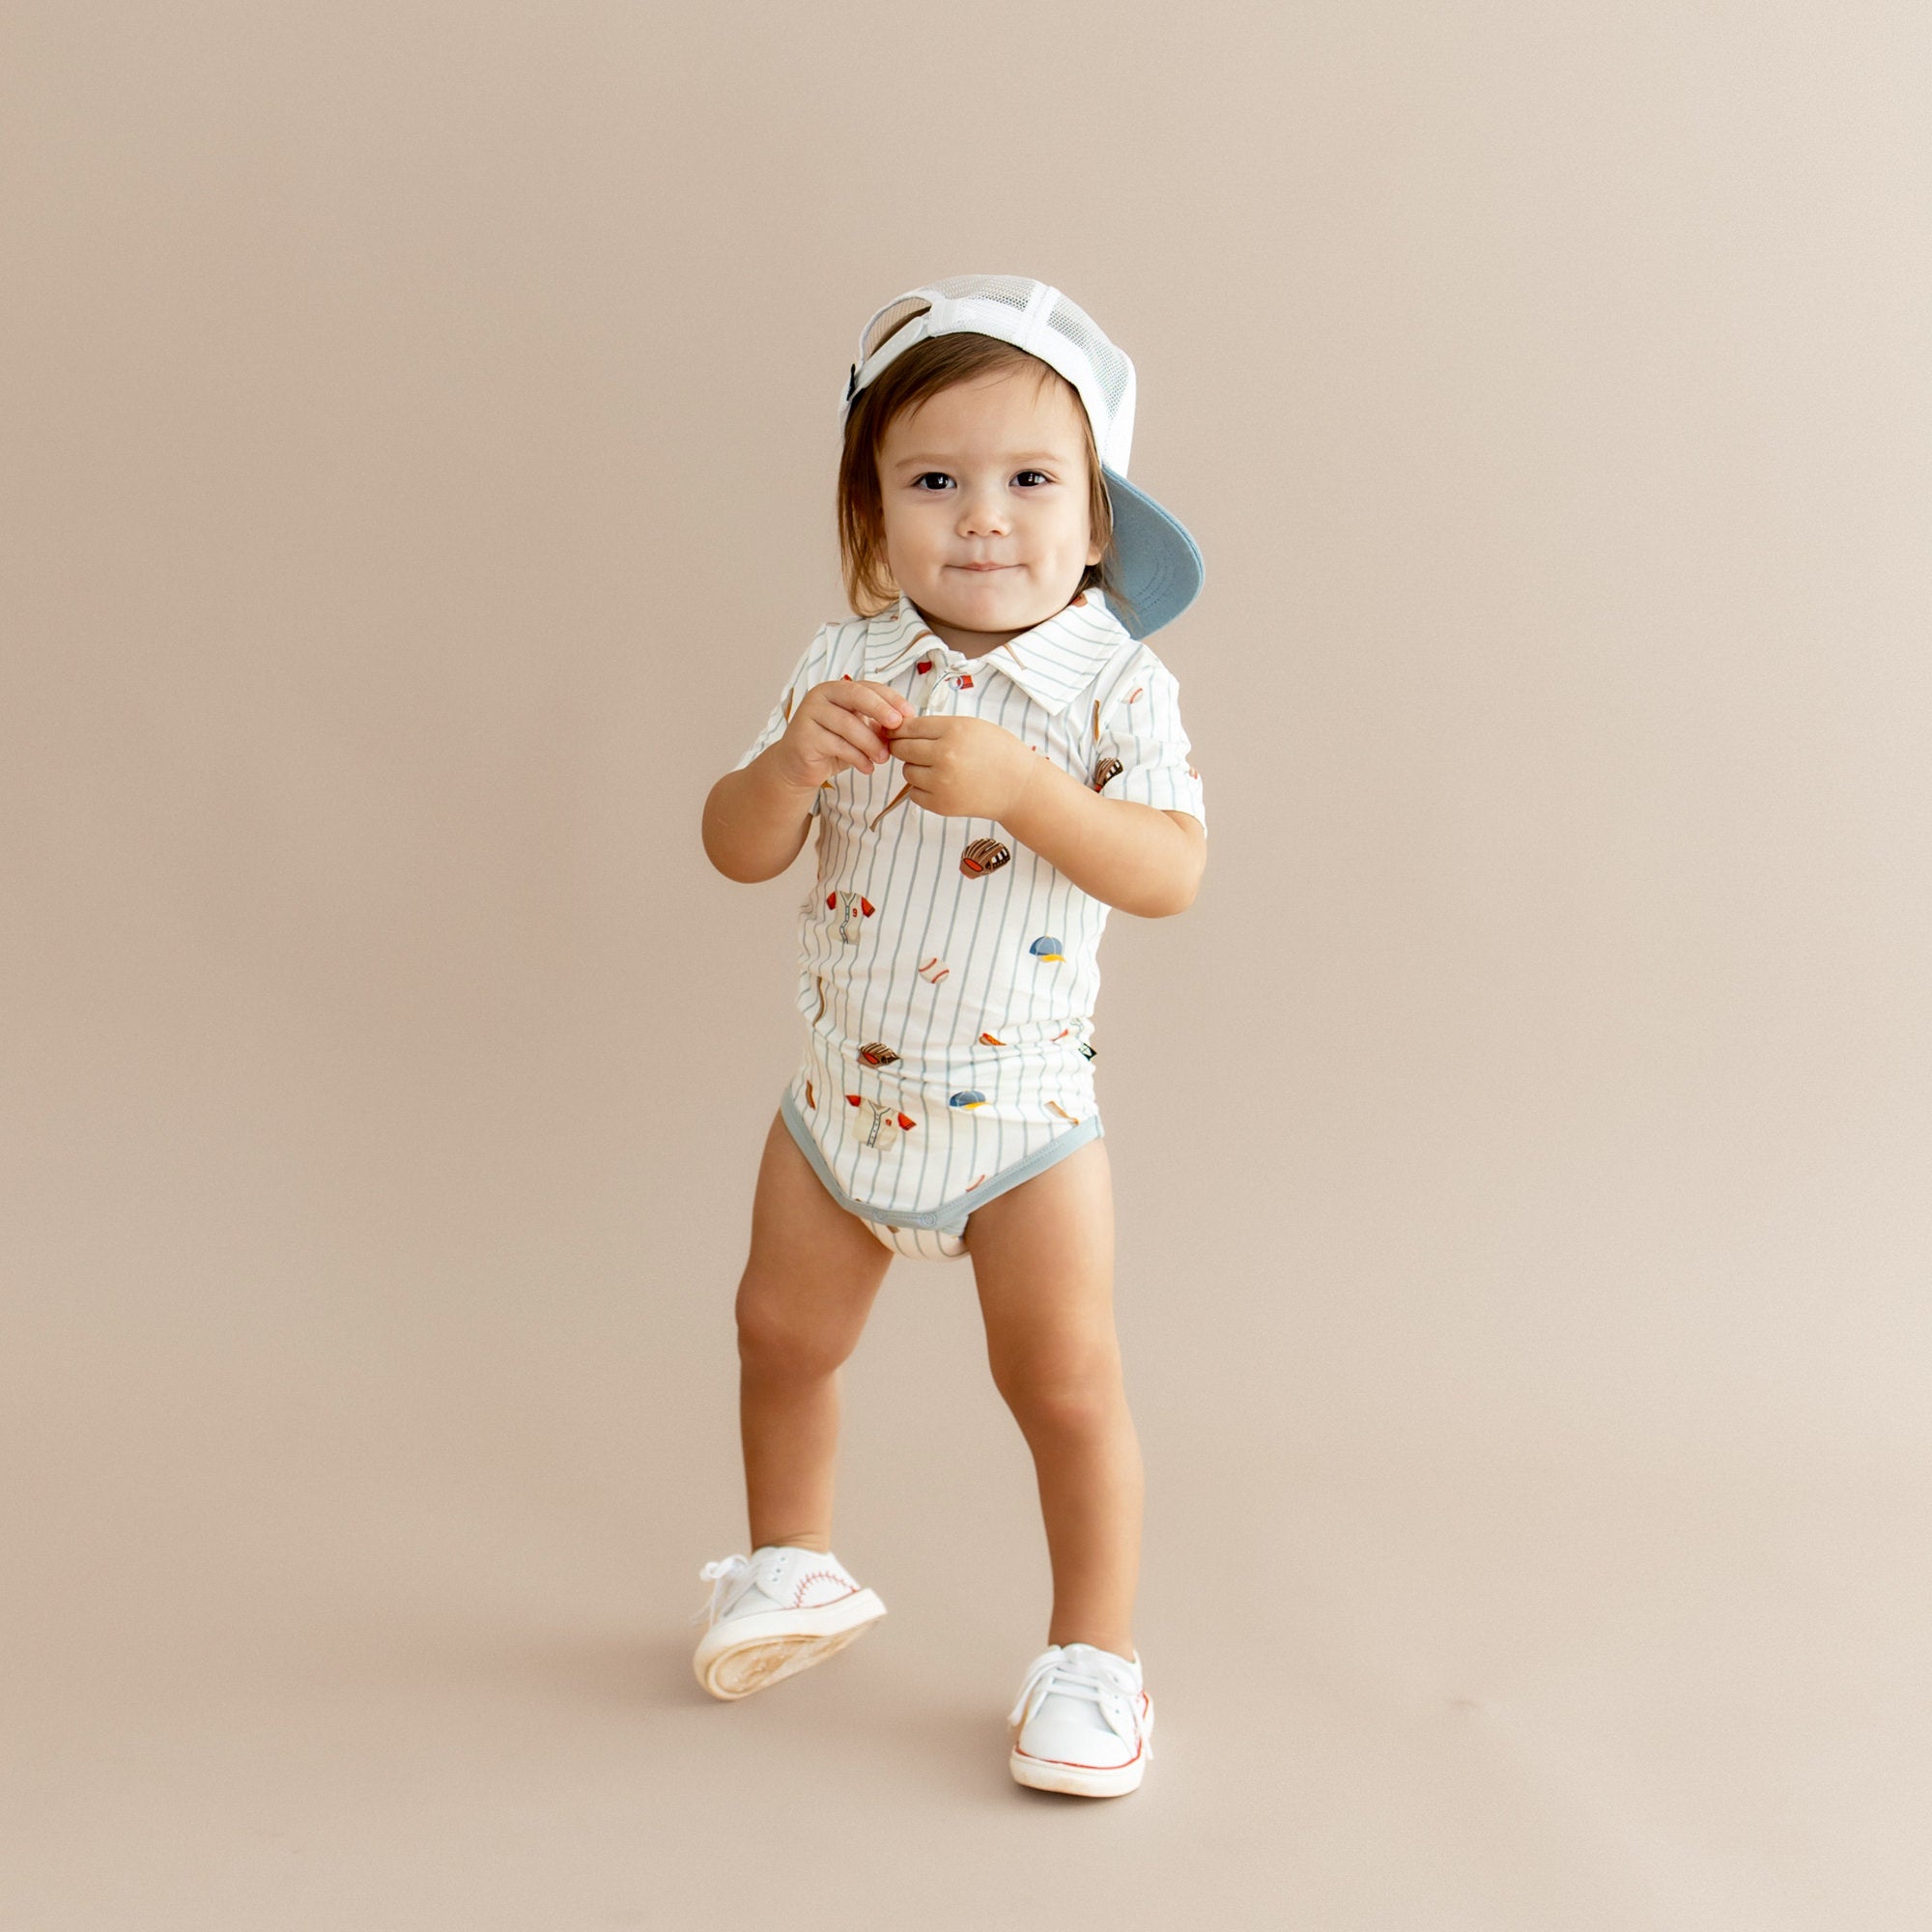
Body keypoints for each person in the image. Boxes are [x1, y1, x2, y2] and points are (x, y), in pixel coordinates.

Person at [693, 276, 1208, 1798]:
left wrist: (1035, 797)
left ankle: (1093, 1661)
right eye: (935, 481)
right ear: (873, 515)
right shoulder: (837, 667)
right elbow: (732, 848)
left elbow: (1172, 868)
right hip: (840, 1106)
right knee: (777, 1335)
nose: (984, 520)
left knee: (1062, 1384)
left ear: (1099, 520)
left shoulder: (1115, 682)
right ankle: (791, 1564)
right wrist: (791, 766)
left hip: (1022, 1125)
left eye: (1031, 482)